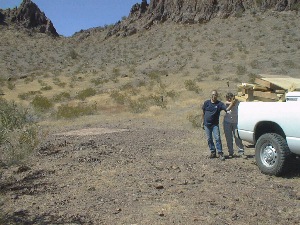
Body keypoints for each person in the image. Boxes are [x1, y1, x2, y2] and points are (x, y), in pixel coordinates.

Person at [202, 90, 235, 161]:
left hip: (214, 125)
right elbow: (203, 112)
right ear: (211, 95)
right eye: (213, 95)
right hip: (207, 125)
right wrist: (202, 122)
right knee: (209, 139)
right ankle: (213, 152)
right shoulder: (206, 103)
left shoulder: (219, 104)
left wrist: (232, 103)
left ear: (217, 96)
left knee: (217, 138)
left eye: (215, 95)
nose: (214, 96)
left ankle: (220, 153)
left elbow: (226, 109)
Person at [223, 92, 245, 158]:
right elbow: (227, 109)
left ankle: (241, 152)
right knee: (229, 138)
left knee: (237, 137)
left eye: (230, 98)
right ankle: (231, 152)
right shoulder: (226, 103)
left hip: (235, 122)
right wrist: (232, 103)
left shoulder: (237, 102)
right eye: (228, 98)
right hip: (227, 122)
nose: (229, 99)